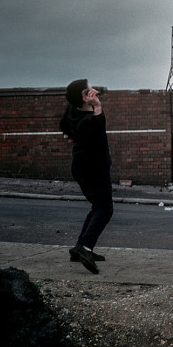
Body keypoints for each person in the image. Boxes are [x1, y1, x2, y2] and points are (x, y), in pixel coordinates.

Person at [60, 79, 114, 275]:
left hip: (83, 167)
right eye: (89, 90)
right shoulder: (89, 120)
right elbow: (100, 136)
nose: (94, 91)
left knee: (97, 207)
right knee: (105, 209)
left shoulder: (76, 113)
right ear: (84, 98)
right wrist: (97, 107)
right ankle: (86, 248)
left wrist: (92, 104)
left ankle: (79, 247)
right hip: (94, 169)